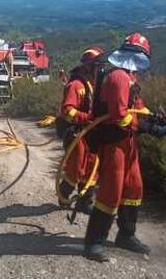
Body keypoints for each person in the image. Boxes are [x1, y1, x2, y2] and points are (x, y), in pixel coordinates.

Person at [84, 32, 166, 262]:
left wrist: (157, 121)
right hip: (115, 143)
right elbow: (119, 116)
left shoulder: (129, 77)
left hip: (128, 143)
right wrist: (146, 127)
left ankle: (126, 235)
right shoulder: (118, 78)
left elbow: (137, 108)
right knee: (110, 192)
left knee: (134, 188)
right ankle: (94, 242)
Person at [57, 46, 105, 214]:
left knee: (92, 166)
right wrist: (88, 118)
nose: (100, 70)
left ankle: (85, 202)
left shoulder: (93, 84)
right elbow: (67, 111)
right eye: (97, 67)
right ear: (88, 67)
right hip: (76, 132)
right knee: (76, 168)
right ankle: (64, 194)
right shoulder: (76, 85)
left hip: (90, 132)